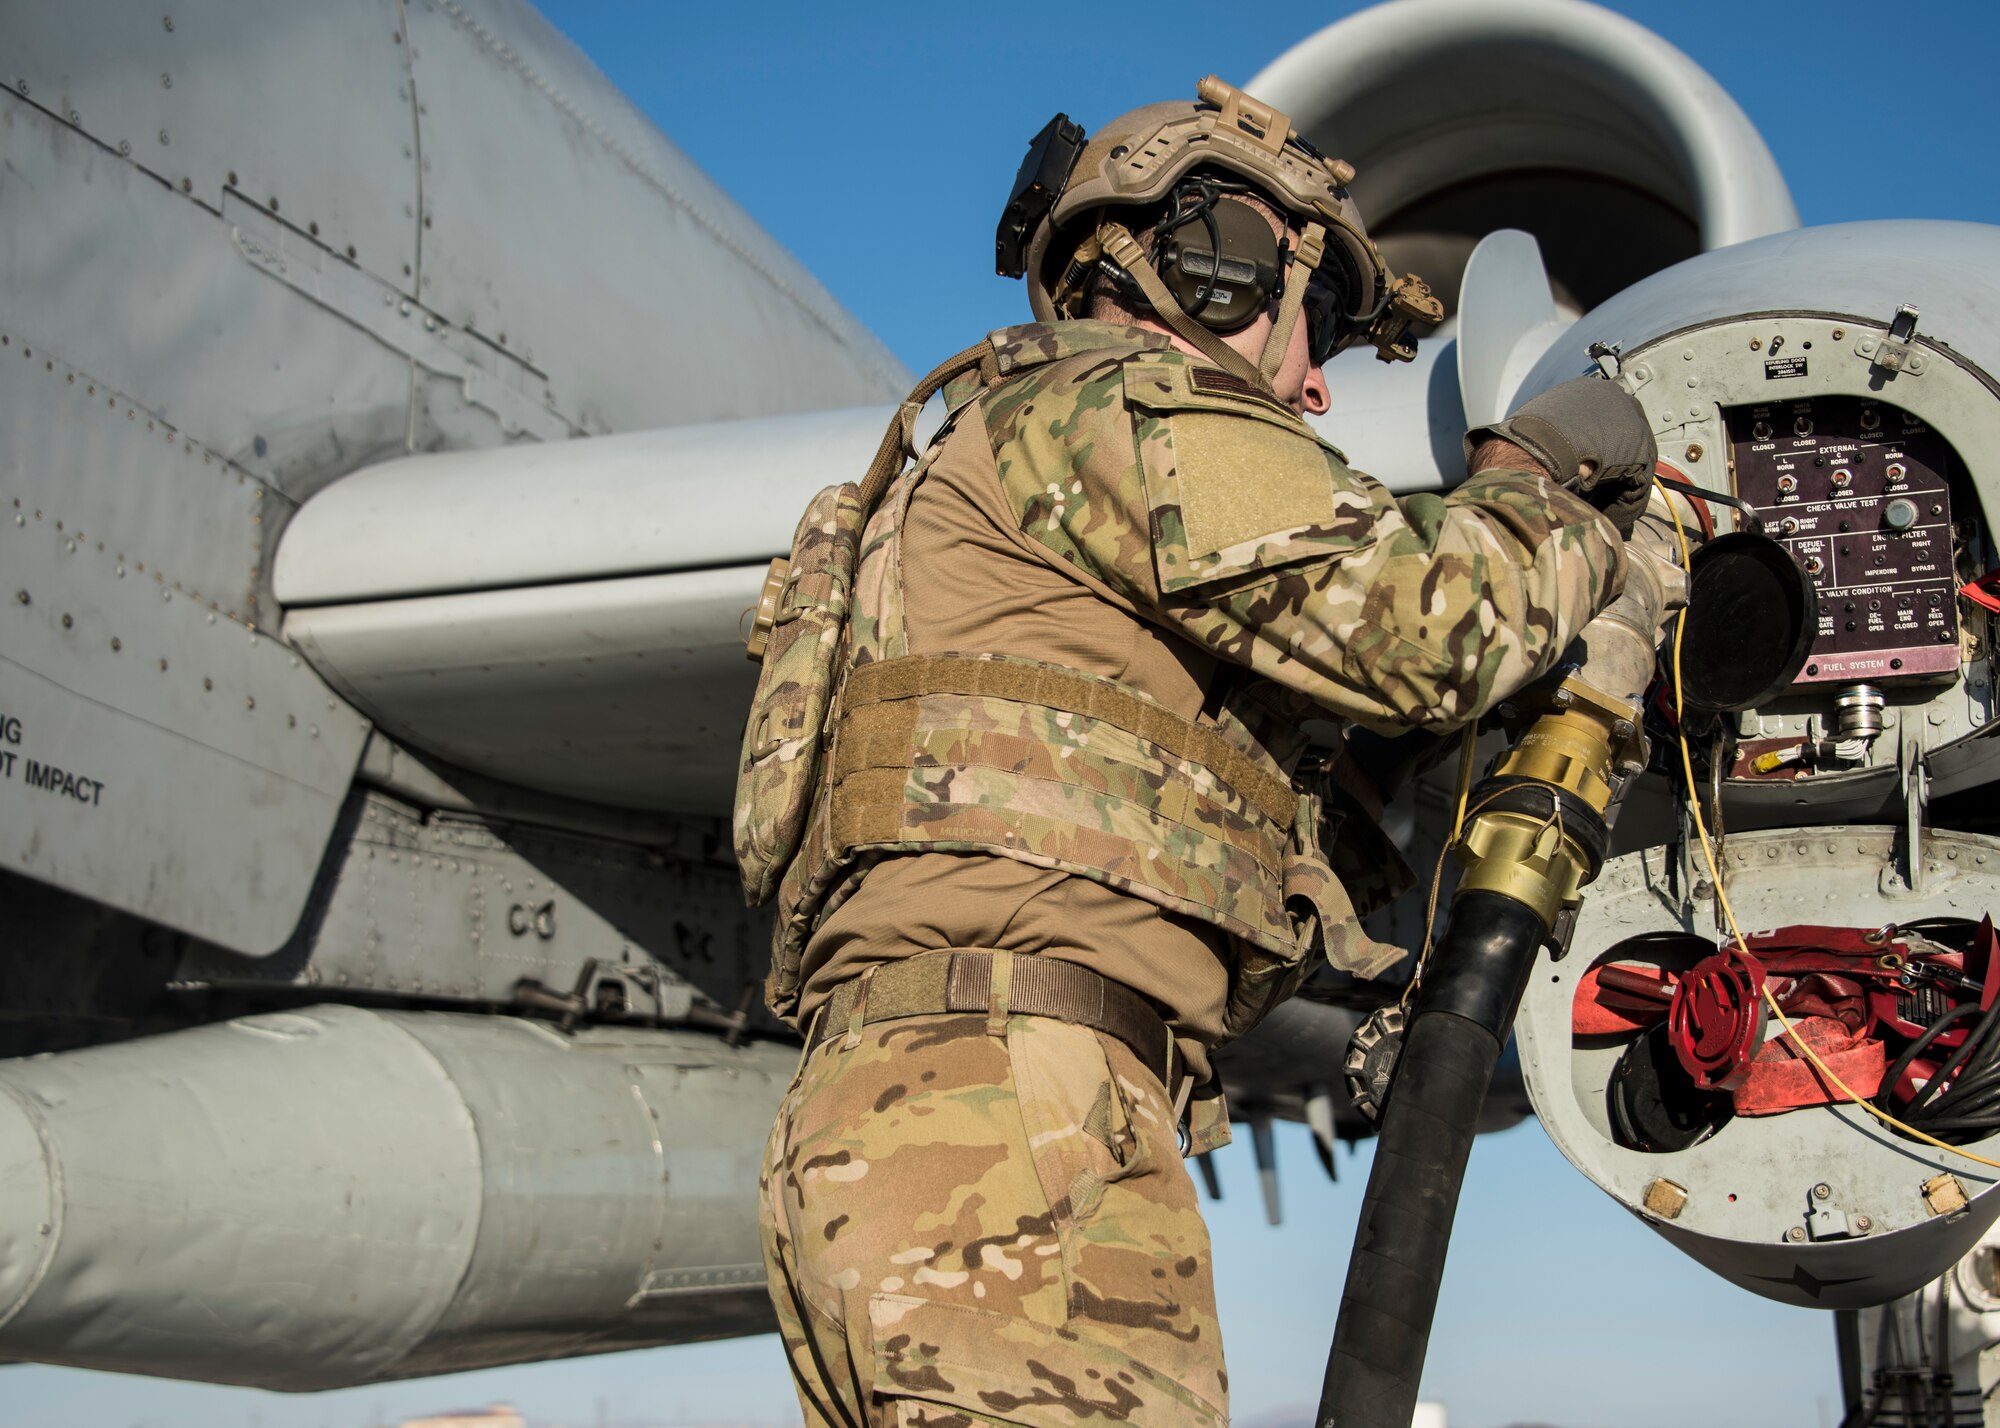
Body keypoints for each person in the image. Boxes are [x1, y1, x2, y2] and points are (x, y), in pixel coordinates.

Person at [748, 77, 1655, 1427]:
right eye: (1321, 317)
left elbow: (1210, 803)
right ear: (1212, 262)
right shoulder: (1111, 407)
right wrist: (1547, 480)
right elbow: (1439, 624)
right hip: (1013, 1122)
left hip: (925, 1119)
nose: (1309, 380)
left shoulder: (985, 471)